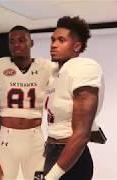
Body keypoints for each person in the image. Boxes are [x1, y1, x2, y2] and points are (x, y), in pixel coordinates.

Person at [0, 25, 56, 180]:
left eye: (22, 40)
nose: (16, 44)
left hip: (35, 138)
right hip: (7, 139)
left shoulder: (46, 68)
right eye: (12, 41)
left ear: (31, 43)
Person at [43, 16, 104, 180]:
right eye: (53, 39)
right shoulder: (55, 74)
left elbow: (82, 133)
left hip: (71, 156)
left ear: (77, 46)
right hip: (53, 148)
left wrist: (51, 177)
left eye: (61, 40)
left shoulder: (83, 68)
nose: (53, 45)